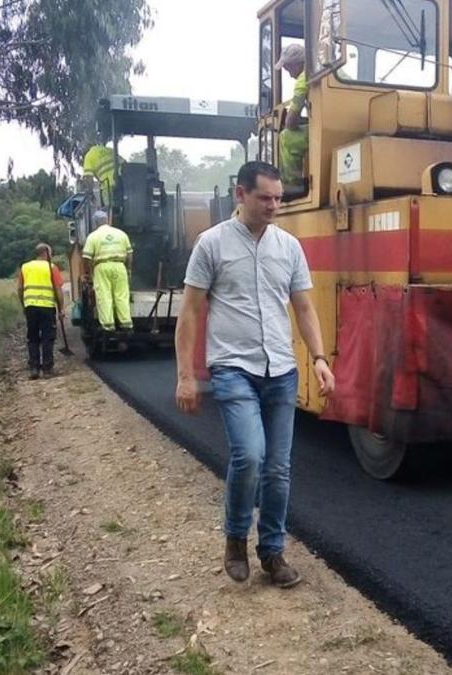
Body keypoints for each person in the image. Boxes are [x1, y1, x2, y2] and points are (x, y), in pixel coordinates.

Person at [174, 161, 335, 588]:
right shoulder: (211, 245)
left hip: (280, 370)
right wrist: (185, 376)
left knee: (278, 469)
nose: (274, 206)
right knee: (250, 455)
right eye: (265, 198)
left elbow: (303, 306)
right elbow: (189, 311)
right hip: (234, 369)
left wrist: (318, 357)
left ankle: (272, 551)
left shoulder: (289, 247)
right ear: (240, 194)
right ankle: (235, 539)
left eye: (279, 198)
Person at [14, 243, 66, 380]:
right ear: (46, 253)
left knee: (33, 337)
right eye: (51, 253)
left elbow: (20, 289)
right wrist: (61, 308)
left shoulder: (25, 267)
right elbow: (58, 290)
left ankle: (34, 368)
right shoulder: (51, 267)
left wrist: (24, 305)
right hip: (47, 307)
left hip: (30, 306)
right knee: (47, 338)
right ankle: (47, 369)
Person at [81, 210, 134, 332]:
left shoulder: (93, 236)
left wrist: (90, 272)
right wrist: (129, 269)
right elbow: (130, 253)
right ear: (107, 220)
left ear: (95, 223)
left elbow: (86, 257)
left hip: (101, 267)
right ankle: (126, 324)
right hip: (120, 266)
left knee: (104, 296)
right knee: (122, 295)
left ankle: (108, 326)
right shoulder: (121, 234)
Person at [275, 43, 309, 186]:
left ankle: (293, 184)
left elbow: (290, 122)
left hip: (329, 130)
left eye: (288, 69)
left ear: (297, 64)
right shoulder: (332, 71)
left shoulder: (304, 78)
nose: (289, 74)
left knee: (286, 137)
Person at [82, 143, 119, 207]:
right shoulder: (109, 150)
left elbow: (88, 177)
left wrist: (90, 194)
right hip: (122, 184)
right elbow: (125, 164)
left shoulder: (89, 156)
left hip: (108, 186)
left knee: (110, 211)